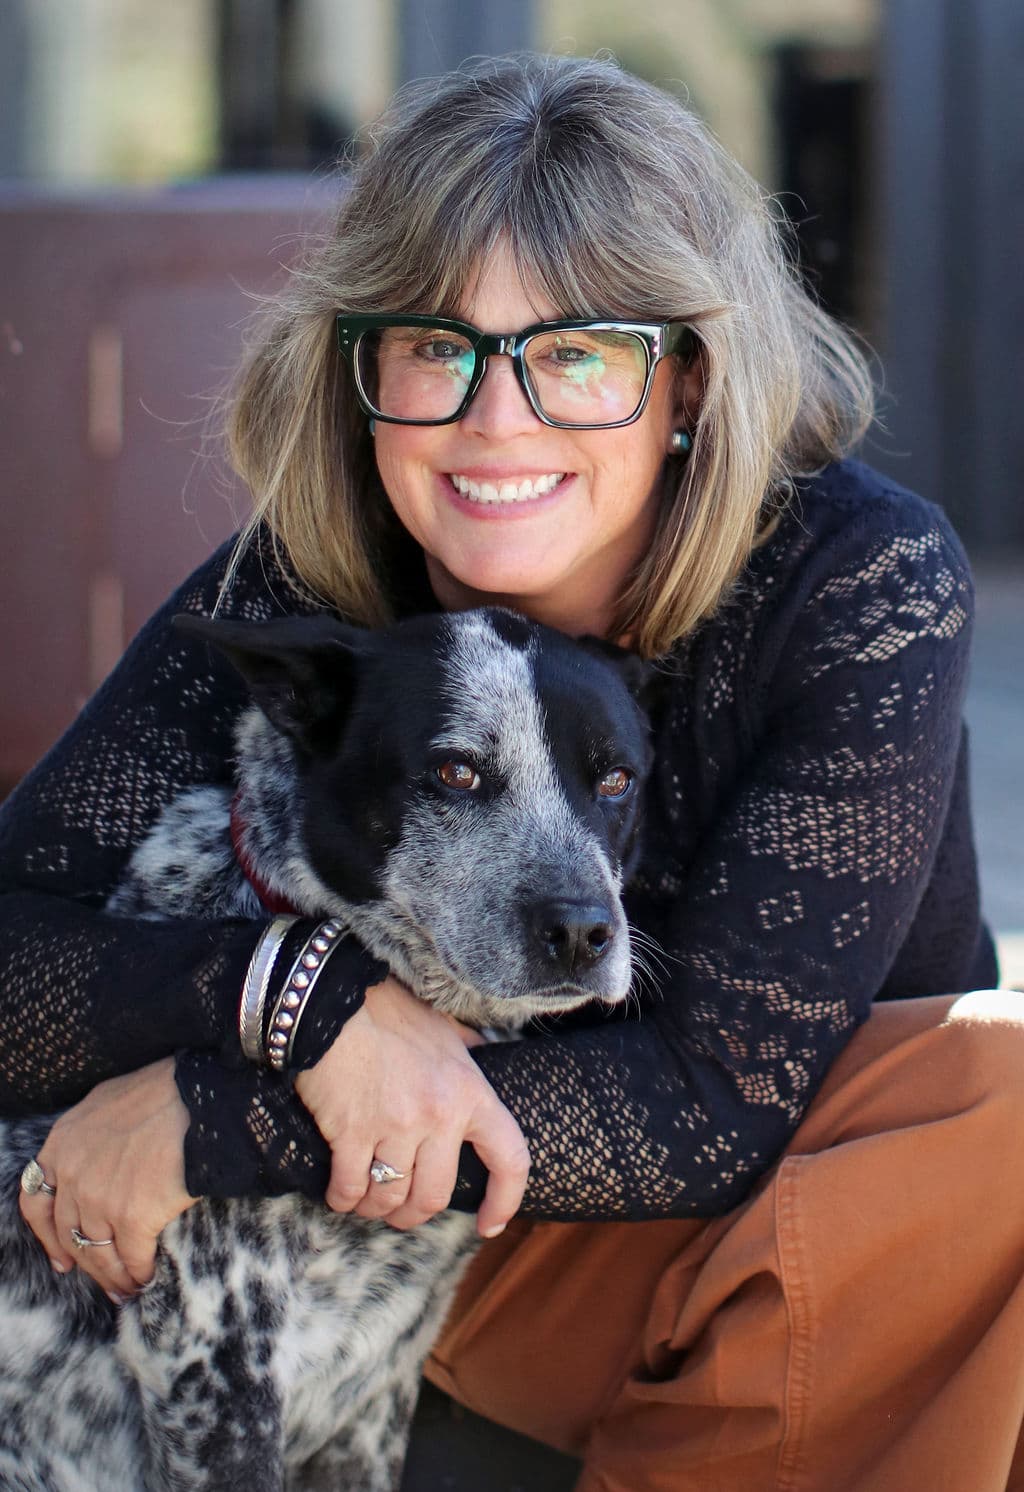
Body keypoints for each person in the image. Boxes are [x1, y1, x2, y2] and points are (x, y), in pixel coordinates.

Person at [1, 51, 1021, 1492]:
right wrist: (294, 1000)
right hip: (419, 1251)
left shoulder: (856, 578)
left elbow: (708, 1101)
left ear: (686, 386)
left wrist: (201, 1115)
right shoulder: (321, 568)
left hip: (790, 1230)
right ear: (363, 375)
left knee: (1004, 1109)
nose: (497, 417)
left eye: (579, 352)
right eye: (436, 345)